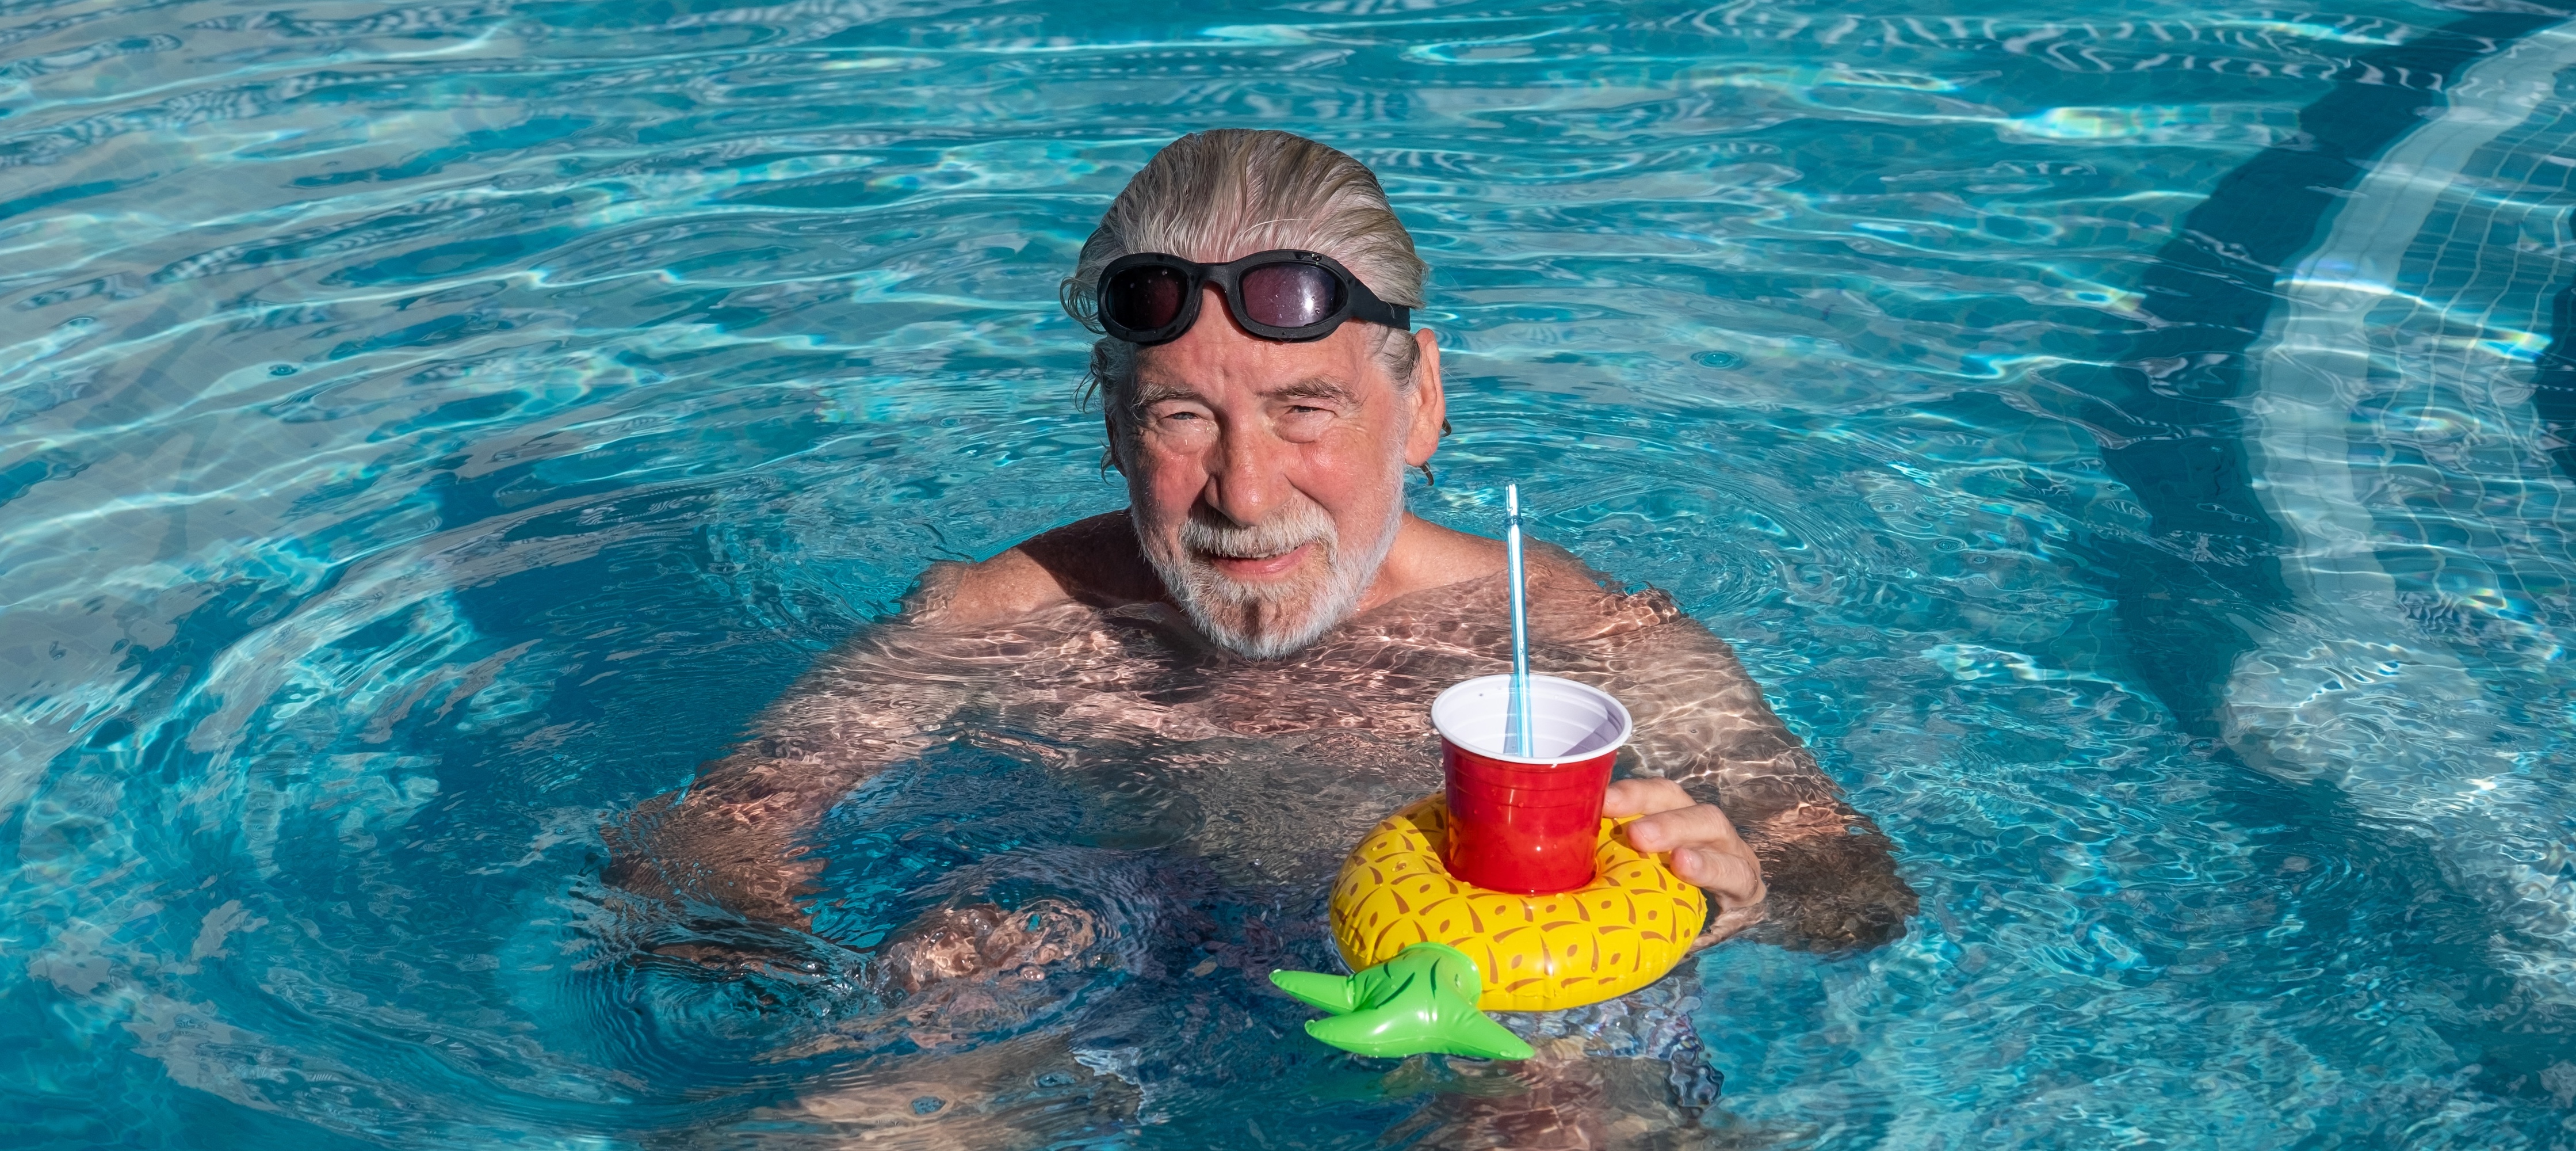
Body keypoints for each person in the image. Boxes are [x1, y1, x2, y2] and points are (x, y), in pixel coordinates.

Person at [609, 128, 1916, 1142]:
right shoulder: (998, 620)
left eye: (1305, 409)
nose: (1245, 493)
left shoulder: (1573, 637)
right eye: (1183, 419)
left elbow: (1855, 892)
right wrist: (789, 972)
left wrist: (1736, 894)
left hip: (1483, 1016)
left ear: (1419, 405)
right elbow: (701, 834)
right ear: (1113, 425)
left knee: (1549, 1098)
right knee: (950, 985)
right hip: (1107, 964)